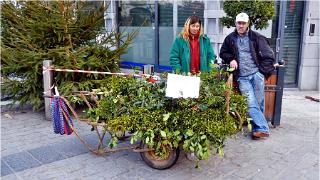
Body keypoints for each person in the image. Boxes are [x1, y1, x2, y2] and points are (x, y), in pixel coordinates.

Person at [219, 12, 275, 140]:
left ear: (248, 24)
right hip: (242, 77)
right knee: (250, 103)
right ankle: (262, 128)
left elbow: (268, 56)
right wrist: (231, 59)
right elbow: (223, 53)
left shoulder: (256, 37)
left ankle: (257, 130)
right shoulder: (230, 38)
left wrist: (261, 72)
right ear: (235, 23)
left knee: (259, 102)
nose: (241, 25)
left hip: (256, 74)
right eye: (239, 23)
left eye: (243, 23)